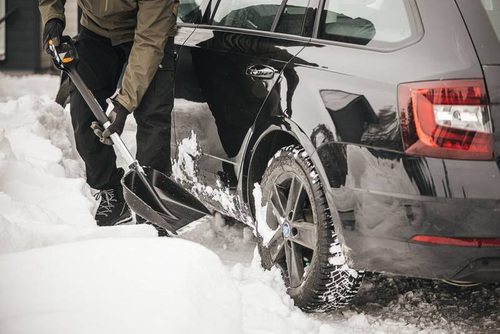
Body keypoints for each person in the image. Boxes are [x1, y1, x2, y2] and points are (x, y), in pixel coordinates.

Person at [38, 0, 178, 226]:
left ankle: (152, 209)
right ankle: (109, 190)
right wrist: (52, 18)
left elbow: (149, 42)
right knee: (84, 111)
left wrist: (122, 106)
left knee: (153, 117)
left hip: (148, 34)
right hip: (96, 29)